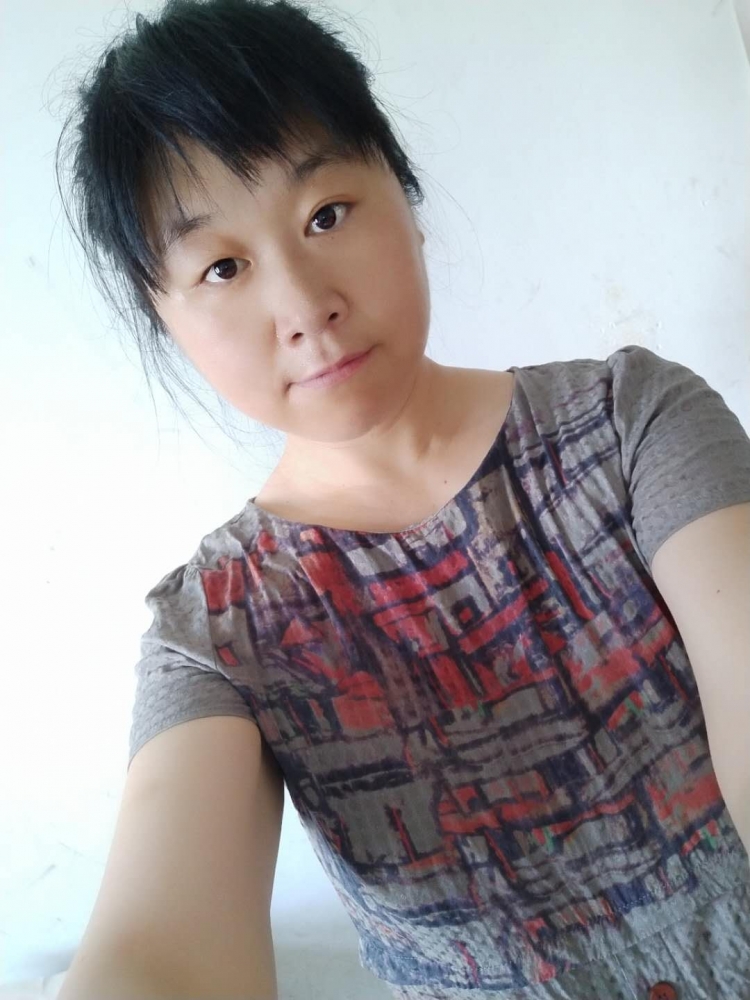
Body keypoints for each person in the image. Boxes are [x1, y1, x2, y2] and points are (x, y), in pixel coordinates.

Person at [54, 1, 750, 998]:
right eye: (223, 267)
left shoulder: (634, 423)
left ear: (403, 191)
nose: (305, 307)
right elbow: (155, 955)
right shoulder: (215, 632)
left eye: (326, 214)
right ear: (167, 320)